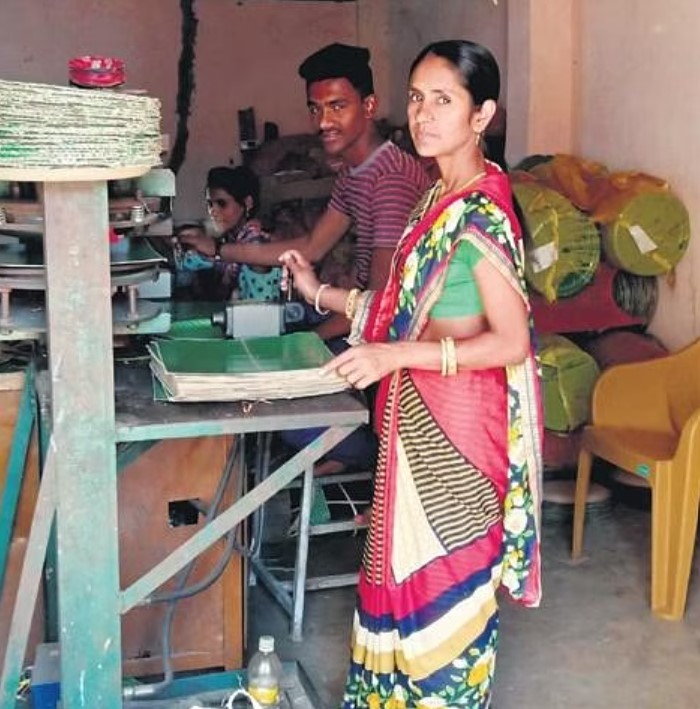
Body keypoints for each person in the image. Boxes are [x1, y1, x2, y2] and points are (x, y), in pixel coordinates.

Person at [280, 40, 543, 708]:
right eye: (417, 98)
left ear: (482, 114)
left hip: (458, 441)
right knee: (395, 586)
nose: (423, 115)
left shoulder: (480, 211)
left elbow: (509, 341)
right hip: (410, 426)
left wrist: (394, 356)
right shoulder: (434, 201)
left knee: (442, 600)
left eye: (444, 100)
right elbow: (398, 312)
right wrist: (317, 292)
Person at [182, 43, 431, 477]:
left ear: (369, 106)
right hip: (363, 321)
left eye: (338, 106)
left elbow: (377, 303)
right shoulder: (356, 173)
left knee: (283, 400)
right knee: (274, 358)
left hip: (393, 341)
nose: (324, 122)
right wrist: (218, 249)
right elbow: (309, 247)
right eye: (315, 108)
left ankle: (368, 453)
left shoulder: (388, 178)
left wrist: (308, 339)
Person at [176, 165, 280, 301]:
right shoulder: (228, 239)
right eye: (210, 204)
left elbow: (261, 309)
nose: (213, 211)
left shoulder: (256, 245)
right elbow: (185, 260)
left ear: (247, 203)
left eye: (221, 203)